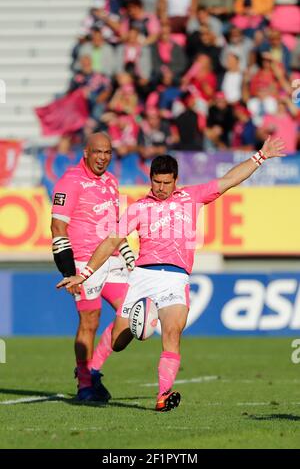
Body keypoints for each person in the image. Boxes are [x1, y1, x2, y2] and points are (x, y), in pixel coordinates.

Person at [57, 136, 285, 411]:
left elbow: (229, 180)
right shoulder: (139, 208)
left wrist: (260, 156)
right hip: (142, 278)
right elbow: (110, 241)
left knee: (172, 333)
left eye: (167, 182)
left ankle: (163, 396)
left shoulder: (192, 197)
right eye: (157, 182)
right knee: (119, 341)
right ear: (150, 179)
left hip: (175, 279)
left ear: (176, 180)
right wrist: (85, 273)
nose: (161, 188)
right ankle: (91, 371)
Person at [51, 132, 135, 402]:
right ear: (85, 152)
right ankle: (85, 384)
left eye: (107, 153)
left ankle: (94, 369)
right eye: (97, 152)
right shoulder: (69, 181)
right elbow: (57, 227)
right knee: (90, 319)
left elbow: (115, 227)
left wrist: (127, 253)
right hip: (82, 262)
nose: (102, 158)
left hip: (111, 259)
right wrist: (68, 273)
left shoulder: (111, 182)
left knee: (132, 312)